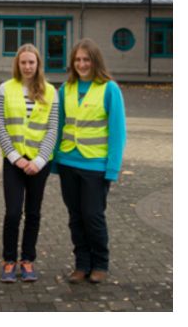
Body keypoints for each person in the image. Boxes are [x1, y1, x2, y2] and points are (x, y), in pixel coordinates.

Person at [54, 38, 126, 284]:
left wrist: (112, 168)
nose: (82, 64)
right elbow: (59, 126)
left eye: (86, 59)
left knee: (93, 216)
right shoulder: (66, 89)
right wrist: (55, 160)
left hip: (95, 165)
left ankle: (100, 264)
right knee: (75, 217)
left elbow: (118, 132)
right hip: (68, 163)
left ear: (95, 61)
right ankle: (81, 264)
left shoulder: (109, 89)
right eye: (77, 60)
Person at [0, 44, 58, 283]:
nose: (28, 66)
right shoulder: (4, 89)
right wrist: (15, 157)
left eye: (32, 62)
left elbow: (53, 127)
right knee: (12, 212)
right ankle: (9, 260)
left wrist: (40, 160)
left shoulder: (51, 91)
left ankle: (28, 260)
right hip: (14, 162)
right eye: (23, 62)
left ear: (38, 64)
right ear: (17, 64)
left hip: (39, 164)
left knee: (33, 213)